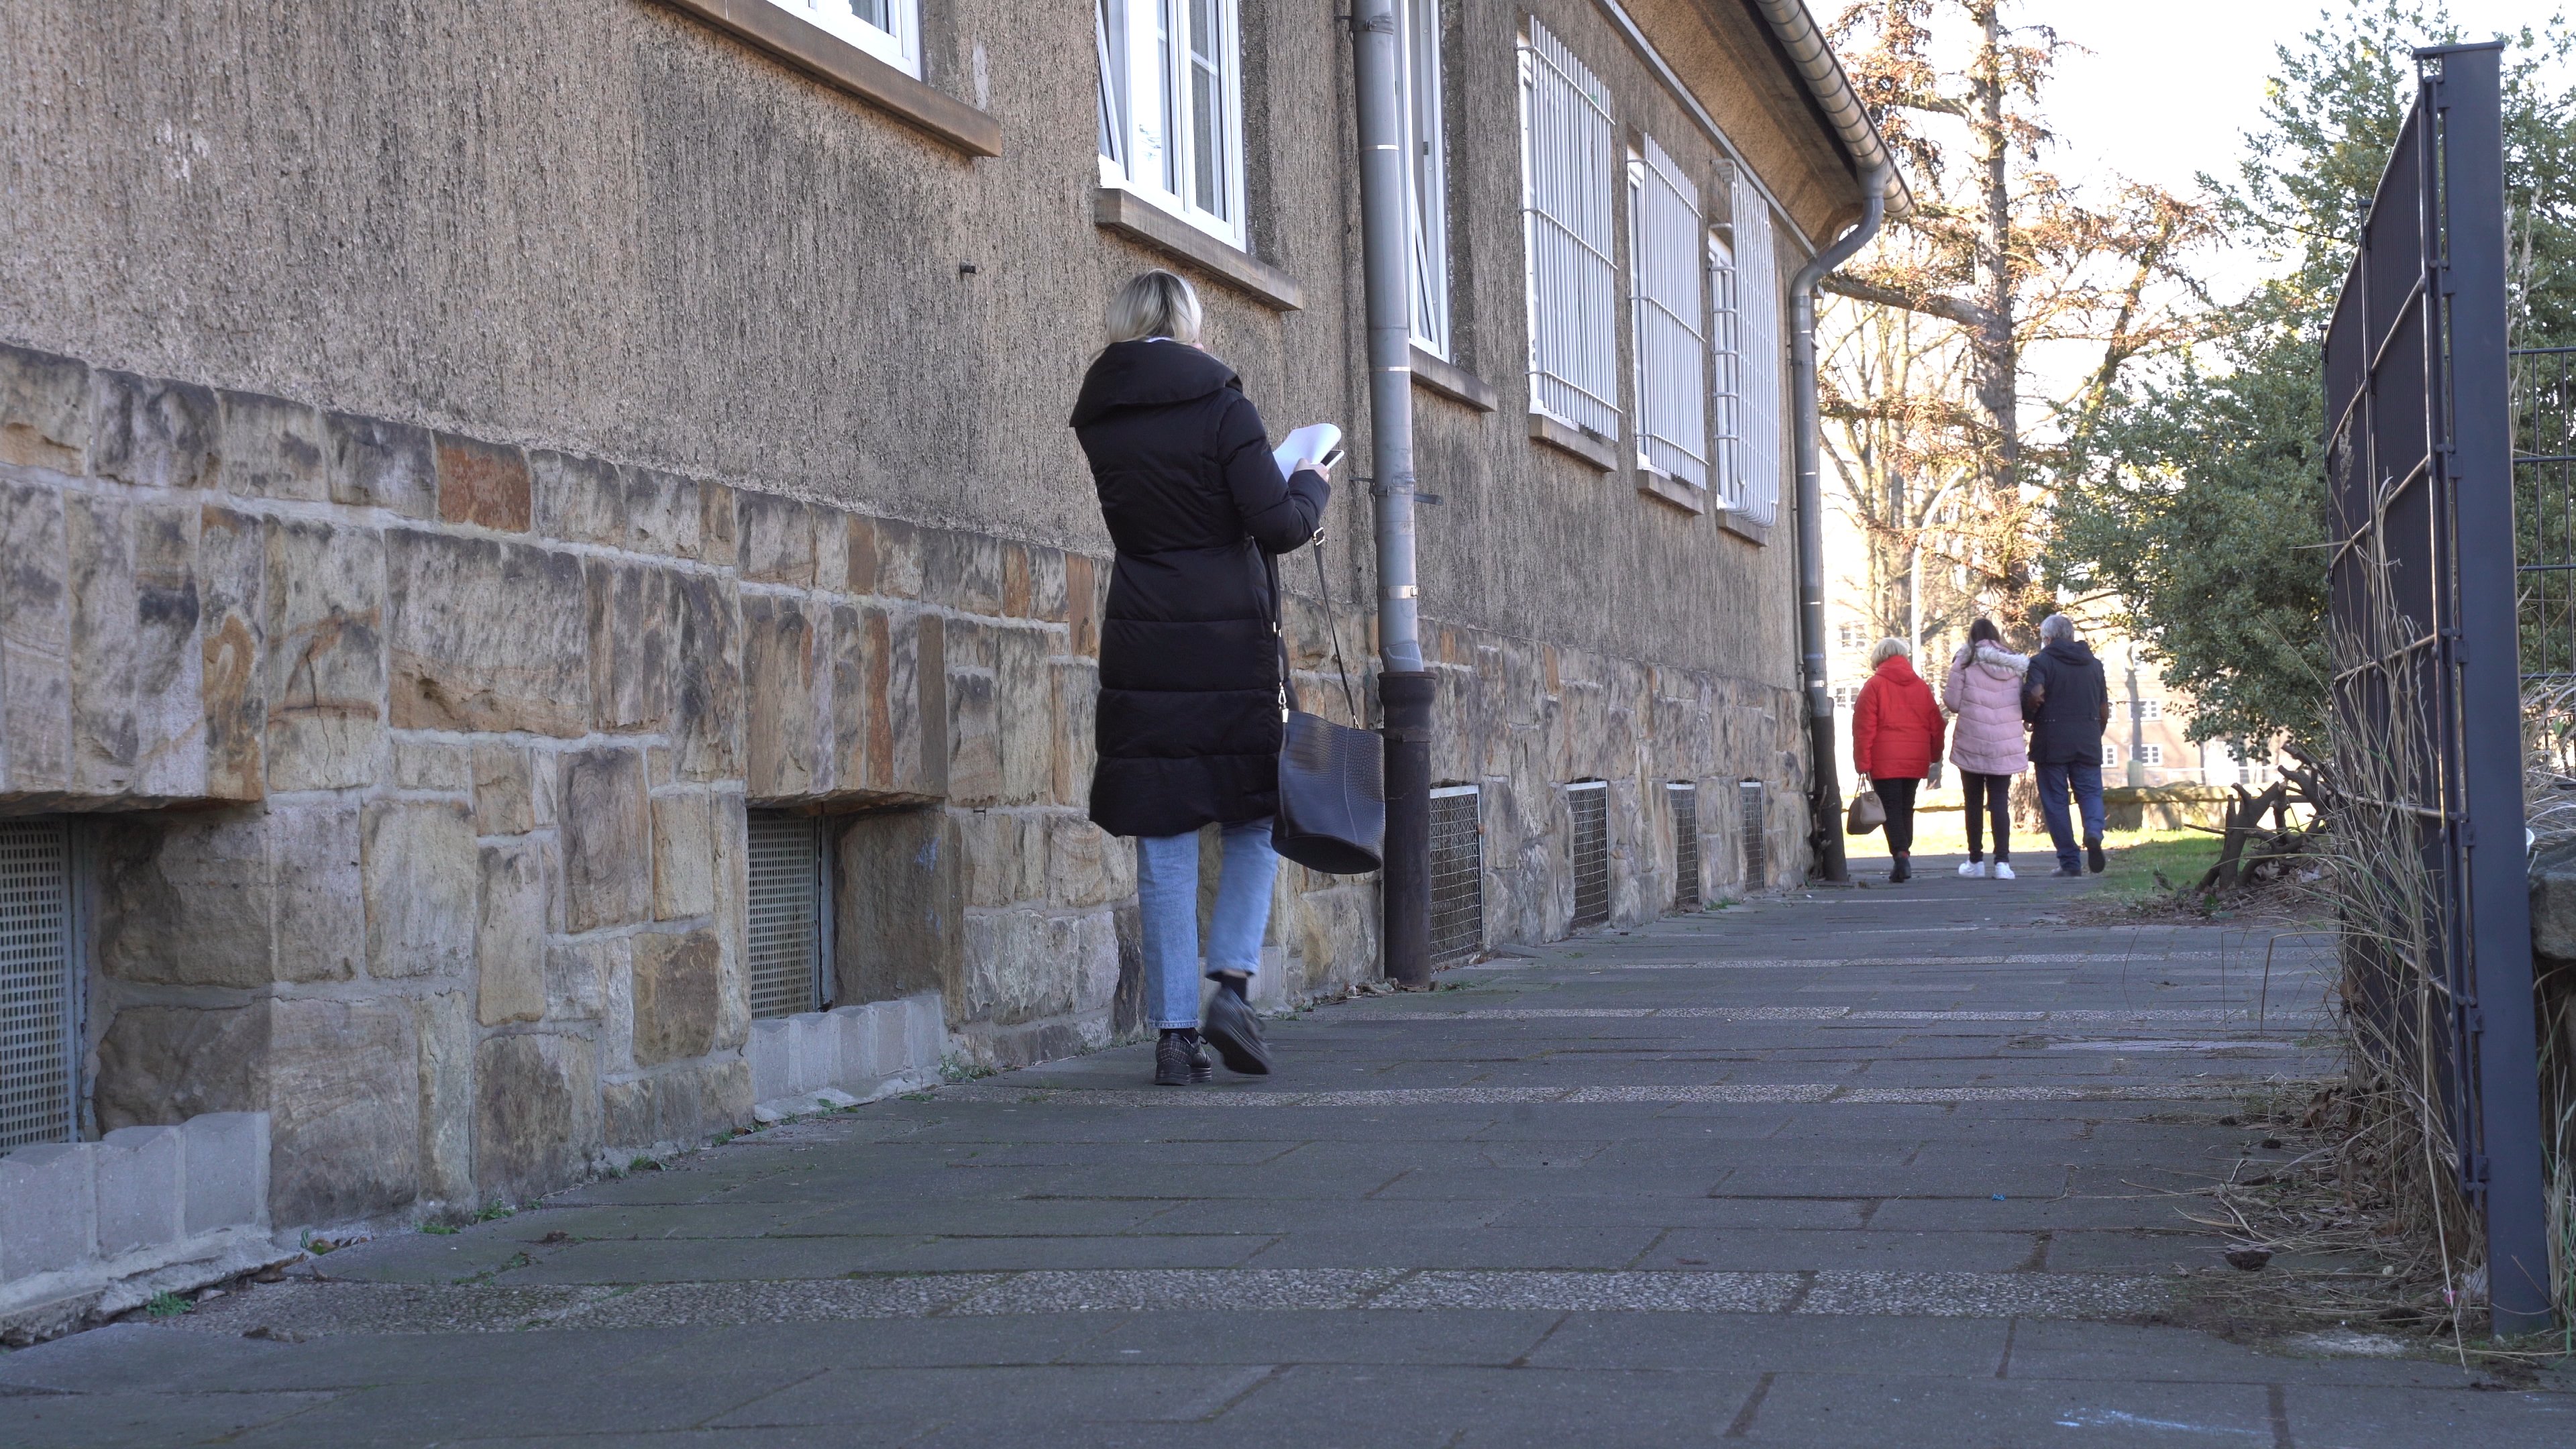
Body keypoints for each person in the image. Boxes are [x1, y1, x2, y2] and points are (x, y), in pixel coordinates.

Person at [1070, 270, 1330, 1086]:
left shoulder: (1102, 417)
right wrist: (1311, 473)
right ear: (1186, 325)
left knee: (1166, 832)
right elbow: (1279, 527)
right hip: (1228, 643)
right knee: (1256, 818)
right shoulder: (1224, 407)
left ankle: (1174, 1038)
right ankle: (1230, 986)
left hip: (1145, 639)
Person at [1849, 637, 1946, 883]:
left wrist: (1862, 763)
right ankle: (1903, 855)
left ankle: (1900, 856)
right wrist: (1934, 755)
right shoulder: (1921, 686)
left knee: (1890, 809)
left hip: (1884, 760)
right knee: (1906, 807)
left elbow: (1864, 728)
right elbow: (1936, 725)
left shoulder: (1874, 686)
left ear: (1878, 657)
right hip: (1915, 759)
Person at [2023, 612, 2112, 876]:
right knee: (2091, 792)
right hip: (2087, 739)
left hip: (2051, 740)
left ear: (2047, 638)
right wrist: (2095, 733)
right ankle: (2094, 832)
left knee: (2055, 801)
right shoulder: (2094, 665)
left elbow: (2037, 694)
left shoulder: (2041, 662)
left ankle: (2070, 862)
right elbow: (2104, 709)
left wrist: (2029, 715)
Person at [1943, 617, 2028, 879]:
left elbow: (1952, 702)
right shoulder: (2015, 665)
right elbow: (2023, 702)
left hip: (1972, 739)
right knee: (2000, 802)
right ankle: (2003, 863)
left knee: (1973, 802)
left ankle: (1975, 861)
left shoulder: (1965, 662)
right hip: (2005, 742)